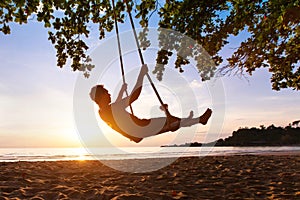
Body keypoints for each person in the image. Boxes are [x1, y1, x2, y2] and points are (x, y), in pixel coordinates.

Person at [90, 64, 212, 143]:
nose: (109, 94)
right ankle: (199, 120)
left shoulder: (102, 112)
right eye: (106, 93)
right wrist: (141, 75)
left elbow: (116, 106)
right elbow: (134, 96)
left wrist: (121, 91)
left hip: (136, 131)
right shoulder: (111, 109)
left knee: (170, 121)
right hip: (140, 128)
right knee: (170, 123)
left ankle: (194, 120)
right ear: (100, 97)